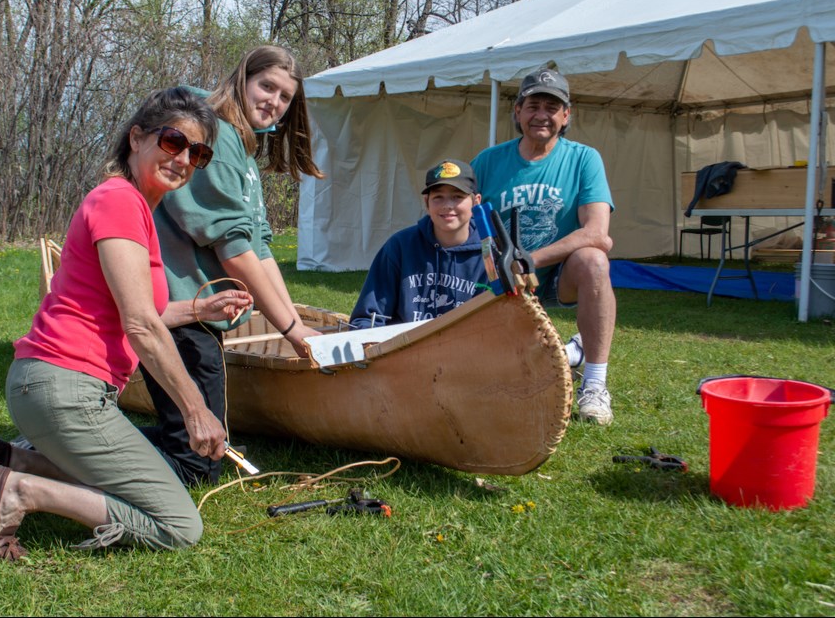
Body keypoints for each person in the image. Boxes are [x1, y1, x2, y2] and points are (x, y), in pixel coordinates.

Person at [0, 87, 253, 561]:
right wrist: (195, 410)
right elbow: (141, 325)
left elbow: (133, 309)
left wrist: (197, 310)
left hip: (51, 387)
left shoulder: (136, 207)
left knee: (156, 485)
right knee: (179, 524)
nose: (183, 158)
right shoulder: (120, 201)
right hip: (65, 390)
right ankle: (21, 492)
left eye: (197, 152)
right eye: (172, 142)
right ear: (137, 138)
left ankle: (12, 460)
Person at [139, 46, 325, 486]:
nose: (274, 102)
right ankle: (49, 456)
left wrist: (294, 319)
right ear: (243, 79)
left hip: (200, 311)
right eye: (267, 87)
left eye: (285, 97)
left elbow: (258, 249)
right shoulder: (217, 139)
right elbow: (235, 251)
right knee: (198, 463)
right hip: (177, 308)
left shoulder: (242, 151)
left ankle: (83, 443)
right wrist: (292, 331)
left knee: (196, 452)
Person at [471, 67, 616, 425]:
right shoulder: (488, 161)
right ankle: (570, 354)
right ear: (517, 111)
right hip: (498, 280)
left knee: (594, 260)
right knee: (499, 376)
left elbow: (598, 233)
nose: (541, 115)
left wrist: (527, 261)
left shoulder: (584, 159)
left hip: (555, 276)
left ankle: (595, 386)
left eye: (552, 108)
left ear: (566, 116)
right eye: (533, 105)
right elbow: (461, 218)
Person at [349, 159, 488, 329]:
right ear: (426, 202)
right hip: (403, 350)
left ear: (476, 201)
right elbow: (366, 318)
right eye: (438, 197)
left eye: (457, 197)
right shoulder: (400, 246)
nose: (447, 205)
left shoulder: (489, 254)